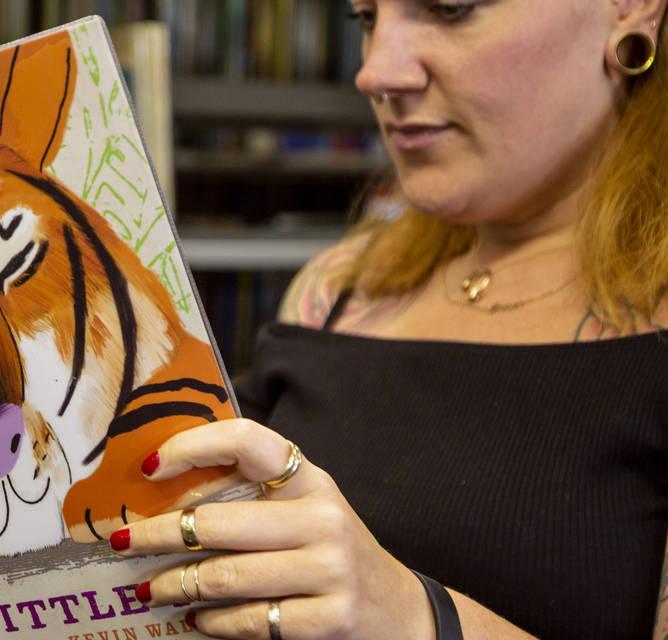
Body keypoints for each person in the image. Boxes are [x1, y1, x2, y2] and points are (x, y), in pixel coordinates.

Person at [105, 1, 668, 638]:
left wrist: (410, 615)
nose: (376, 72)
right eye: (365, 18)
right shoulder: (337, 290)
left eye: (451, 9)